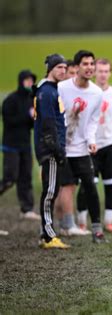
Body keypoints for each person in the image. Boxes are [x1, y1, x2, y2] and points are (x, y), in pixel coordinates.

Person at [57, 50, 107, 243]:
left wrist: (91, 140)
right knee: (66, 186)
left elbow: (93, 121)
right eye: (85, 64)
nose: (89, 67)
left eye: (91, 64)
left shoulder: (96, 93)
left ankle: (97, 229)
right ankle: (67, 225)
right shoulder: (61, 88)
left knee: (90, 187)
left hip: (81, 149)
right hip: (62, 148)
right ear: (76, 68)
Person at [76, 58, 112, 233]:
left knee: (111, 184)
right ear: (94, 72)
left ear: (110, 73)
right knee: (87, 185)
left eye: (106, 71)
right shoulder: (88, 93)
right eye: (100, 71)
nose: (103, 74)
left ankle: (108, 222)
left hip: (110, 146)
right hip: (90, 147)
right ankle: (82, 221)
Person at [34, 54, 70, 249]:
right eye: (59, 68)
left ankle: (44, 233)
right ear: (50, 69)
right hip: (50, 150)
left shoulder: (49, 90)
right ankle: (48, 236)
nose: (63, 71)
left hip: (50, 148)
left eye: (65, 68)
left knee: (52, 189)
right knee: (50, 191)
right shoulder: (47, 92)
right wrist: (57, 149)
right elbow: (48, 125)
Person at [0, 70, 41, 220]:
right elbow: (9, 121)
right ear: (21, 81)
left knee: (26, 177)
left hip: (25, 146)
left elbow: (30, 124)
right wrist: (27, 116)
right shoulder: (11, 100)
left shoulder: (31, 99)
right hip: (11, 146)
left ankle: (27, 209)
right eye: (27, 80)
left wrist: (34, 118)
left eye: (31, 81)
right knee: (10, 178)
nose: (29, 83)